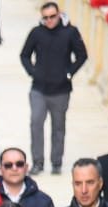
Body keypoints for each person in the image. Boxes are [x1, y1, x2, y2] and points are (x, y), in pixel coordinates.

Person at [19, 2, 87, 175]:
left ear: (59, 15)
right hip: (38, 89)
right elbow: (24, 54)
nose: (49, 20)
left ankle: (56, 162)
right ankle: (38, 162)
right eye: (45, 17)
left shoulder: (70, 32)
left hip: (61, 90)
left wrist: (69, 73)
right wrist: (33, 72)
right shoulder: (36, 33)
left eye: (52, 16)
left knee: (58, 127)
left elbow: (82, 55)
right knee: (36, 124)